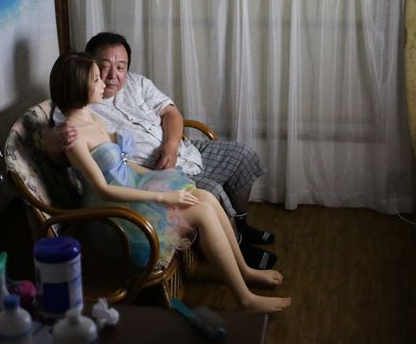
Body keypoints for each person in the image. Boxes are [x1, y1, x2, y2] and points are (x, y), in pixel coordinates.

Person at [49, 52, 291, 314]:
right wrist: (164, 197)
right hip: (114, 212)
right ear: (78, 86)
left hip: (133, 187)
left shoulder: (93, 117)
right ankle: (245, 299)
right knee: (201, 211)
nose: (103, 83)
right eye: (96, 79)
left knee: (206, 197)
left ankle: (245, 270)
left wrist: (158, 179)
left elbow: (124, 163)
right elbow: (102, 189)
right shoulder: (72, 135)